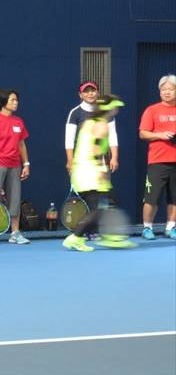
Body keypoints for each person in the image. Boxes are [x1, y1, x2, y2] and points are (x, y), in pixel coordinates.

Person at [62, 95, 134, 251]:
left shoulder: (88, 122)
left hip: (82, 170)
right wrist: (100, 171)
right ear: (109, 108)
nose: (117, 108)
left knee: (112, 201)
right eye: (115, 106)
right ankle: (74, 238)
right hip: (91, 171)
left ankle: (111, 237)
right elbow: (95, 150)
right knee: (97, 209)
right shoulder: (102, 125)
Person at [65, 81, 119, 240]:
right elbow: (71, 139)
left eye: (93, 90)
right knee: (97, 203)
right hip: (89, 168)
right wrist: (70, 160)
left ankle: (92, 232)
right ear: (80, 94)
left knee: (105, 201)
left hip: (93, 165)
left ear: (98, 93)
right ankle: (82, 234)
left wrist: (114, 157)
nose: (90, 94)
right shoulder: (78, 114)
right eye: (86, 91)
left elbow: (112, 137)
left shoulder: (102, 118)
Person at [0, 89, 31, 245]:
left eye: (16, 100)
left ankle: (15, 233)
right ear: (3, 102)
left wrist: (26, 164)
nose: (16, 103)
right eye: (12, 100)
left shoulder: (18, 122)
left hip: (14, 165)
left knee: (14, 200)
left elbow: (21, 145)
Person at [139, 74, 176, 240]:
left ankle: (171, 227)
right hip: (158, 161)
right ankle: (147, 228)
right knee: (152, 197)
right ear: (160, 92)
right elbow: (143, 133)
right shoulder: (152, 110)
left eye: (170, 89)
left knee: (174, 198)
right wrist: (160, 135)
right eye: (164, 89)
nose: (167, 92)